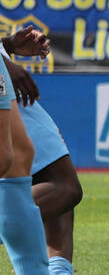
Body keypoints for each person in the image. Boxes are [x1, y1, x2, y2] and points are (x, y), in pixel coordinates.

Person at [2, 45, 83, 275]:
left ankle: (58, 271)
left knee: (52, 175)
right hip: (4, 83)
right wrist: (4, 63)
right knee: (64, 187)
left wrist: (8, 44)